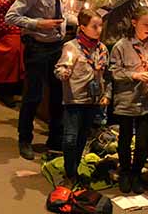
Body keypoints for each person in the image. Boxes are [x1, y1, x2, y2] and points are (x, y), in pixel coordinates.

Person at [6, 0, 84, 160]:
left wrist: (79, 20)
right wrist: (39, 23)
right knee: (34, 95)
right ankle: (25, 139)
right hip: (37, 47)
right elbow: (11, 16)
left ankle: (55, 140)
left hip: (57, 45)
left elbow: (61, 12)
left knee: (58, 94)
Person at [109, 6, 148, 194]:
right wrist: (135, 75)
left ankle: (137, 173)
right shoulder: (122, 46)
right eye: (145, 24)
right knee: (125, 138)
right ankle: (125, 172)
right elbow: (114, 72)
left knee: (143, 141)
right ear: (134, 23)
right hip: (127, 100)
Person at [53, 9, 109, 187]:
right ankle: (69, 172)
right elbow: (59, 69)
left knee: (82, 137)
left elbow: (107, 76)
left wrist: (106, 94)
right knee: (70, 138)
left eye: (100, 25)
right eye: (94, 26)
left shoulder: (102, 49)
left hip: (92, 101)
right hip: (75, 99)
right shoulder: (71, 47)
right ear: (82, 27)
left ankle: (74, 169)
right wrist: (64, 72)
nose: (99, 29)